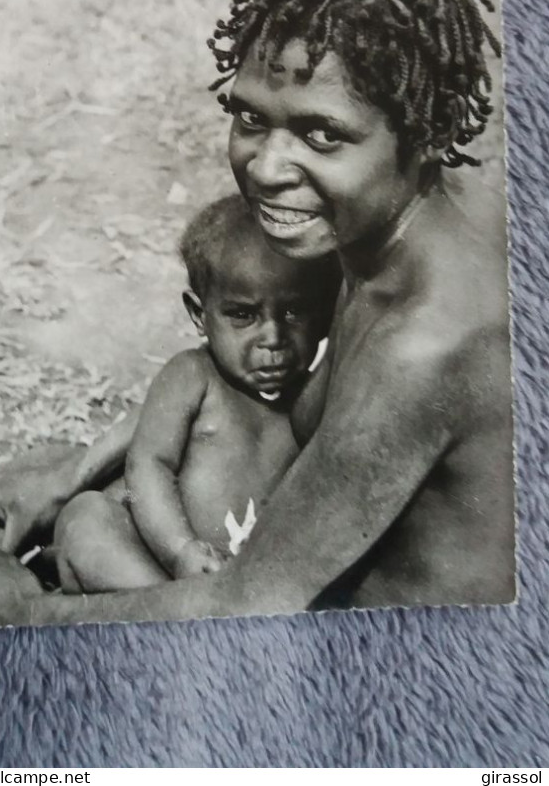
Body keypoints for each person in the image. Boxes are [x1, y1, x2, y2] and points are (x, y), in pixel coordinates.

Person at [0, 0, 515, 627]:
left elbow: (252, 602)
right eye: (252, 116)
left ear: (424, 133)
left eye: (320, 135)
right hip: (278, 548)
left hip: (389, 669)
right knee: (12, 493)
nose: (266, 166)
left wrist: (21, 615)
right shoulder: (380, 209)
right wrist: (57, 480)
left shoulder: (425, 342)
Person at [51, 194, 339, 594]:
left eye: (294, 313)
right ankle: (176, 613)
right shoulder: (193, 376)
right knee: (85, 520)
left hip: (256, 583)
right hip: (165, 565)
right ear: (199, 315)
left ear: (325, 315)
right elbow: (149, 465)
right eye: (243, 314)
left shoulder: (315, 395)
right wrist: (179, 551)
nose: (272, 338)